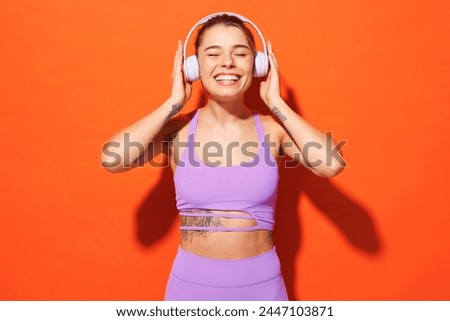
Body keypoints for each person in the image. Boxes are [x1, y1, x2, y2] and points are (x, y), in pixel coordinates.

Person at [101, 12, 345, 301]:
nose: (227, 62)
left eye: (240, 53)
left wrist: (277, 103)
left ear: (257, 65)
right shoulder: (178, 130)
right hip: (191, 290)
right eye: (212, 53)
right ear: (193, 67)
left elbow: (332, 165)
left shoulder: (272, 129)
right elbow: (112, 159)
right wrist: (172, 103)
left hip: (262, 289)